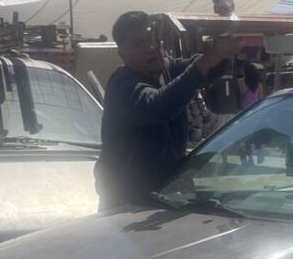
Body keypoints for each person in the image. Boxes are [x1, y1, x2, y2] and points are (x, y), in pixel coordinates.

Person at [96, 11, 237, 210]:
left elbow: (208, 69)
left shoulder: (167, 68)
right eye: (139, 43)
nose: (151, 47)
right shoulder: (122, 84)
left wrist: (222, 51)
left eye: (152, 39)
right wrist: (209, 59)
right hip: (125, 207)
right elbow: (160, 106)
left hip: (165, 200)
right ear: (122, 54)